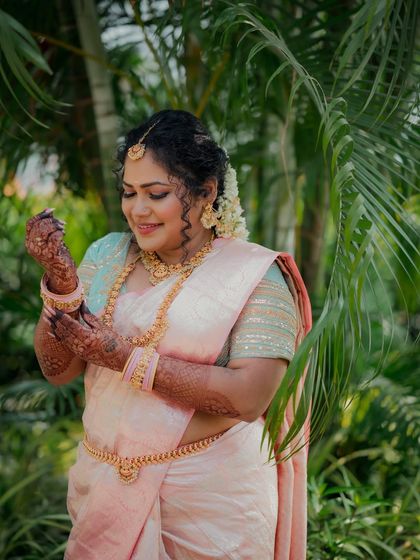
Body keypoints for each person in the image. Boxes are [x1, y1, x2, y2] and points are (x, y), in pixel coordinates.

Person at [25, 109, 312, 560]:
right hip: (104, 494)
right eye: (128, 193)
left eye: (156, 194)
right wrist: (62, 283)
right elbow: (57, 371)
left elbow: (249, 397)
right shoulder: (106, 255)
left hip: (214, 510)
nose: (138, 210)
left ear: (206, 193)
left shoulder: (256, 275)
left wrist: (124, 358)